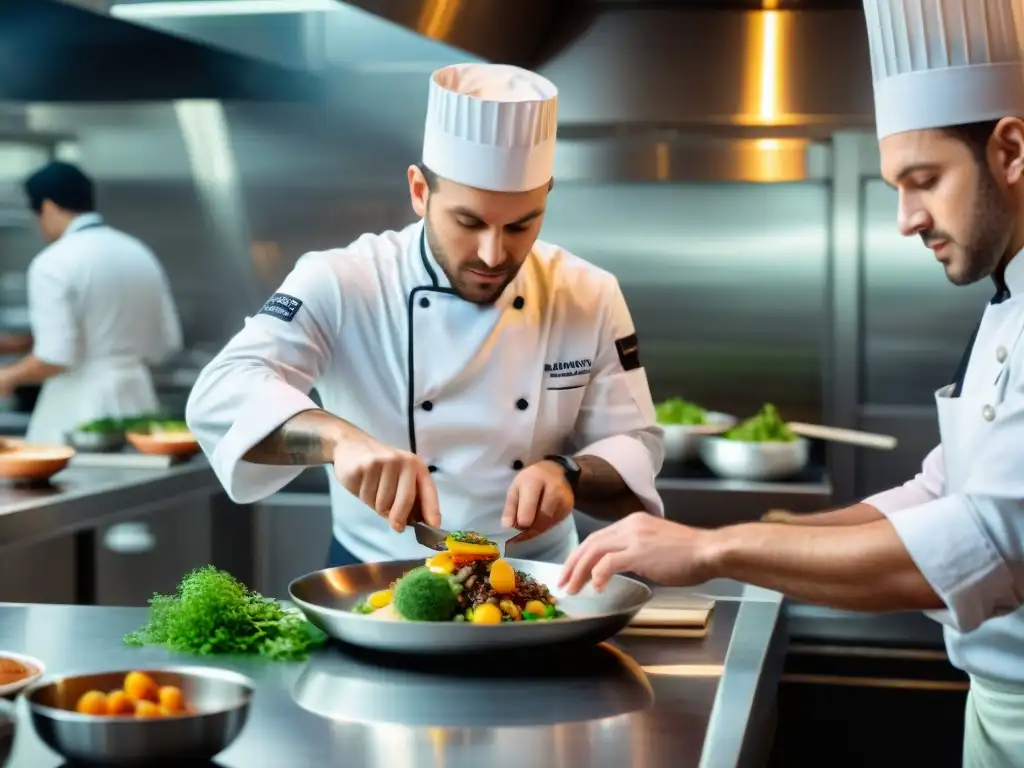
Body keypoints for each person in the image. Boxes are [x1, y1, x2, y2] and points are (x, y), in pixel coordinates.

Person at [560, 1, 1024, 764]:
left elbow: (984, 548)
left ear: (1009, 148)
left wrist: (718, 552)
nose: (907, 220)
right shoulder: (1002, 301)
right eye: (896, 188)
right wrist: (739, 538)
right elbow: (940, 494)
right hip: (994, 706)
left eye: (925, 181)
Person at [186, 62, 665, 567]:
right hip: (374, 577)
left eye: (521, 226)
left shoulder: (588, 292)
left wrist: (570, 474)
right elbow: (222, 392)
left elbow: (634, 442)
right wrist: (339, 440)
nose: (492, 254)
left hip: (536, 578)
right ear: (420, 191)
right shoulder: (344, 281)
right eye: (469, 221)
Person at [2, 161, 184, 444]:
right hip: (140, 406)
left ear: (48, 207)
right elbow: (167, 343)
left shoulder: (52, 262)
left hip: (80, 415)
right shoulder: (138, 252)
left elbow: (56, 356)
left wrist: (8, 376)